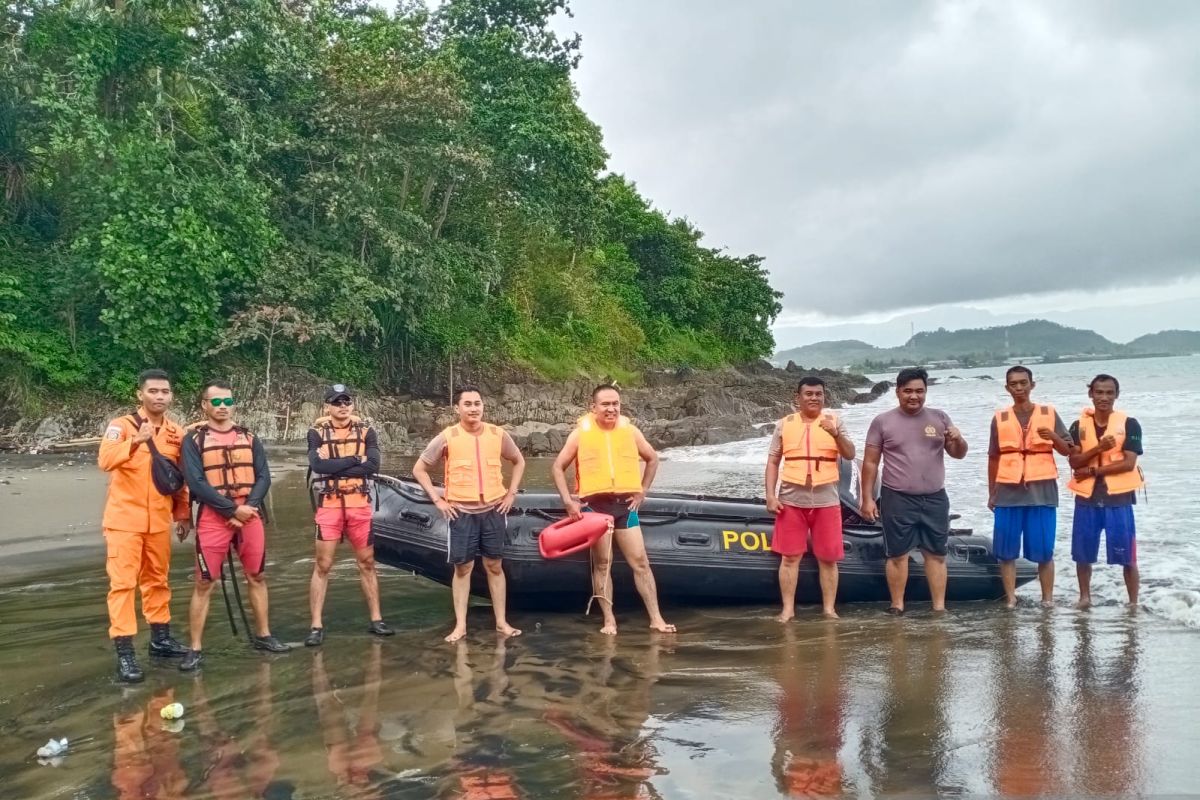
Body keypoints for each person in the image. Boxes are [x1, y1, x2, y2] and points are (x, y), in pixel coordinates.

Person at [179, 379, 291, 671]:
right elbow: (195, 481)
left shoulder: (249, 437)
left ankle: (264, 634)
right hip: (214, 516)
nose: (223, 407)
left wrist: (248, 507)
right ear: (204, 405)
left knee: (257, 575)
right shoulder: (193, 441)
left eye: (227, 402)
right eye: (216, 402)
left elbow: (264, 476)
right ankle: (194, 648)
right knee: (204, 582)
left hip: (249, 514)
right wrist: (231, 509)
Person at [551, 385, 675, 635]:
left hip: (625, 505)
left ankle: (656, 618)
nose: (611, 409)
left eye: (615, 403)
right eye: (605, 404)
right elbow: (557, 467)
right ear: (593, 407)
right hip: (595, 507)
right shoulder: (579, 434)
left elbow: (652, 458)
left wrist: (642, 491)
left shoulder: (630, 431)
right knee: (603, 564)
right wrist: (568, 501)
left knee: (641, 562)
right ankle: (609, 620)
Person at [98, 368, 192, 683]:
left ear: (171, 395)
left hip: (158, 522)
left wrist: (182, 512)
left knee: (158, 580)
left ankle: (160, 639)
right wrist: (135, 443)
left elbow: (177, 477)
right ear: (140, 394)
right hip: (124, 520)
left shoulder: (176, 433)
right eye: (153, 391)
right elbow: (105, 460)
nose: (159, 397)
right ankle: (125, 653)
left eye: (165, 392)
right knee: (123, 585)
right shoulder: (121, 426)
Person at [412, 385, 526, 642]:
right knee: (463, 568)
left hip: (494, 509)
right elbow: (419, 469)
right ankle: (460, 626)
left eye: (477, 403)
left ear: (483, 406)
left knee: (494, 566)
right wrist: (438, 500)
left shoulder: (498, 434)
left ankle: (501, 623)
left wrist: (511, 495)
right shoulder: (447, 436)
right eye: (468, 404)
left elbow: (518, 460)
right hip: (461, 512)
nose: (473, 408)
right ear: (457, 408)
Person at [859, 367, 967, 614]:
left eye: (919, 391)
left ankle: (939, 608)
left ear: (926, 392)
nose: (914, 396)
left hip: (935, 498)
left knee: (936, 554)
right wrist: (867, 499)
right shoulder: (882, 421)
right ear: (897, 392)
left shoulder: (939, 418)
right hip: (897, 497)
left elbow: (958, 453)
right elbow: (871, 462)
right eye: (908, 391)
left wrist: (958, 438)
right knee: (897, 555)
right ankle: (897, 605)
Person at [305, 384, 393, 645]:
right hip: (329, 505)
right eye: (336, 403)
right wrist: (356, 460)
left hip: (358, 504)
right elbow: (318, 465)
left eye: (346, 402)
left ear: (352, 405)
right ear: (327, 406)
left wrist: (338, 468)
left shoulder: (367, 431)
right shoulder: (315, 432)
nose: (342, 407)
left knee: (367, 562)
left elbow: (373, 466)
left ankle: (377, 619)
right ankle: (316, 625)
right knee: (323, 565)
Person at [764, 376, 855, 620]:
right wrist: (770, 496)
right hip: (792, 500)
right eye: (809, 394)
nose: (814, 398)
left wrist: (836, 435)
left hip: (827, 500)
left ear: (824, 397)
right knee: (790, 557)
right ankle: (788, 610)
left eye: (818, 394)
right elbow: (773, 461)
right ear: (798, 397)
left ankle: (829, 609)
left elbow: (850, 453)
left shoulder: (834, 422)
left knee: (828, 558)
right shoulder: (784, 424)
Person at [987, 366, 1073, 608]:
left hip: (1041, 494)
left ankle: (1047, 600)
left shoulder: (1049, 413)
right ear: (1007, 388)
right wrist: (991, 492)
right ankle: (1011, 599)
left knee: (1044, 551)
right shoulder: (1000, 418)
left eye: (1023, 383)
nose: (1019, 388)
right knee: (1006, 552)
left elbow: (1068, 450)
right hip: (1007, 494)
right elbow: (993, 457)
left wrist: (1053, 437)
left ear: (1032, 385)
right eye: (1013, 384)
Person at [1067, 374, 1144, 608]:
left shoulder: (1130, 423)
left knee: (1127, 555)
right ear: (1091, 394)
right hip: (1087, 499)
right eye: (1099, 392)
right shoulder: (1078, 426)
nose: (1104, 397)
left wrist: (1091, 471)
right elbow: (1074, 461)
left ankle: (1133, 603)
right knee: (1082, 554)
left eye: (1109, 393)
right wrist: (1098, 448)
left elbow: (1128, 463)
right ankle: (1085, 598)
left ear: (1116, 395)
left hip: (1118, 499)